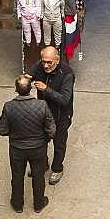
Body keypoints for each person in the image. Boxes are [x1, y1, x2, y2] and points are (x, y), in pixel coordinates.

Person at [0, 75, 55, 213]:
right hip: (38, 148)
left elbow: (2, 130)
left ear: (16, 89)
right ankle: (39, 204)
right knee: (38, 176)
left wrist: (15, 135)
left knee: (17, 176)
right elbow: (51, 129)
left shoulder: (9, 106)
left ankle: (17, 205)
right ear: (31, 89)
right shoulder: (42, 105)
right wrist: (44, 139)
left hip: (17, 149)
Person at [30, 46, 75, 185]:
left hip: (61, 116)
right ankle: (43, 164)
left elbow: (64, 100)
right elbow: (32, 74)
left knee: (59, 144)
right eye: (44, 61)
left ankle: (57, 169)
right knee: (41, 141)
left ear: (57, 59)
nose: (46, 65)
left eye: (50, 62)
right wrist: (27, 78)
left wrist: (46, 89)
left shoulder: (67, 74)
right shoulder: (39, 66)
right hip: (43, 113)